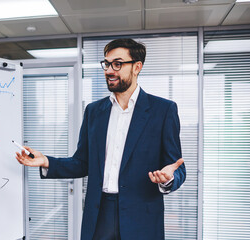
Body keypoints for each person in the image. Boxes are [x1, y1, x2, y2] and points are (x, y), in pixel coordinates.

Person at [16, 38, 186, 240]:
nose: (109, 70)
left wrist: (168, 179)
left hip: (141, 218)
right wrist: (46, 162)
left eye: (118, 64)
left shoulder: (163, 110)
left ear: (137, 67)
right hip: (99, 215)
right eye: (107, 64)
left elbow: (177, 167)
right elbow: (82, 163)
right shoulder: (94, 111)